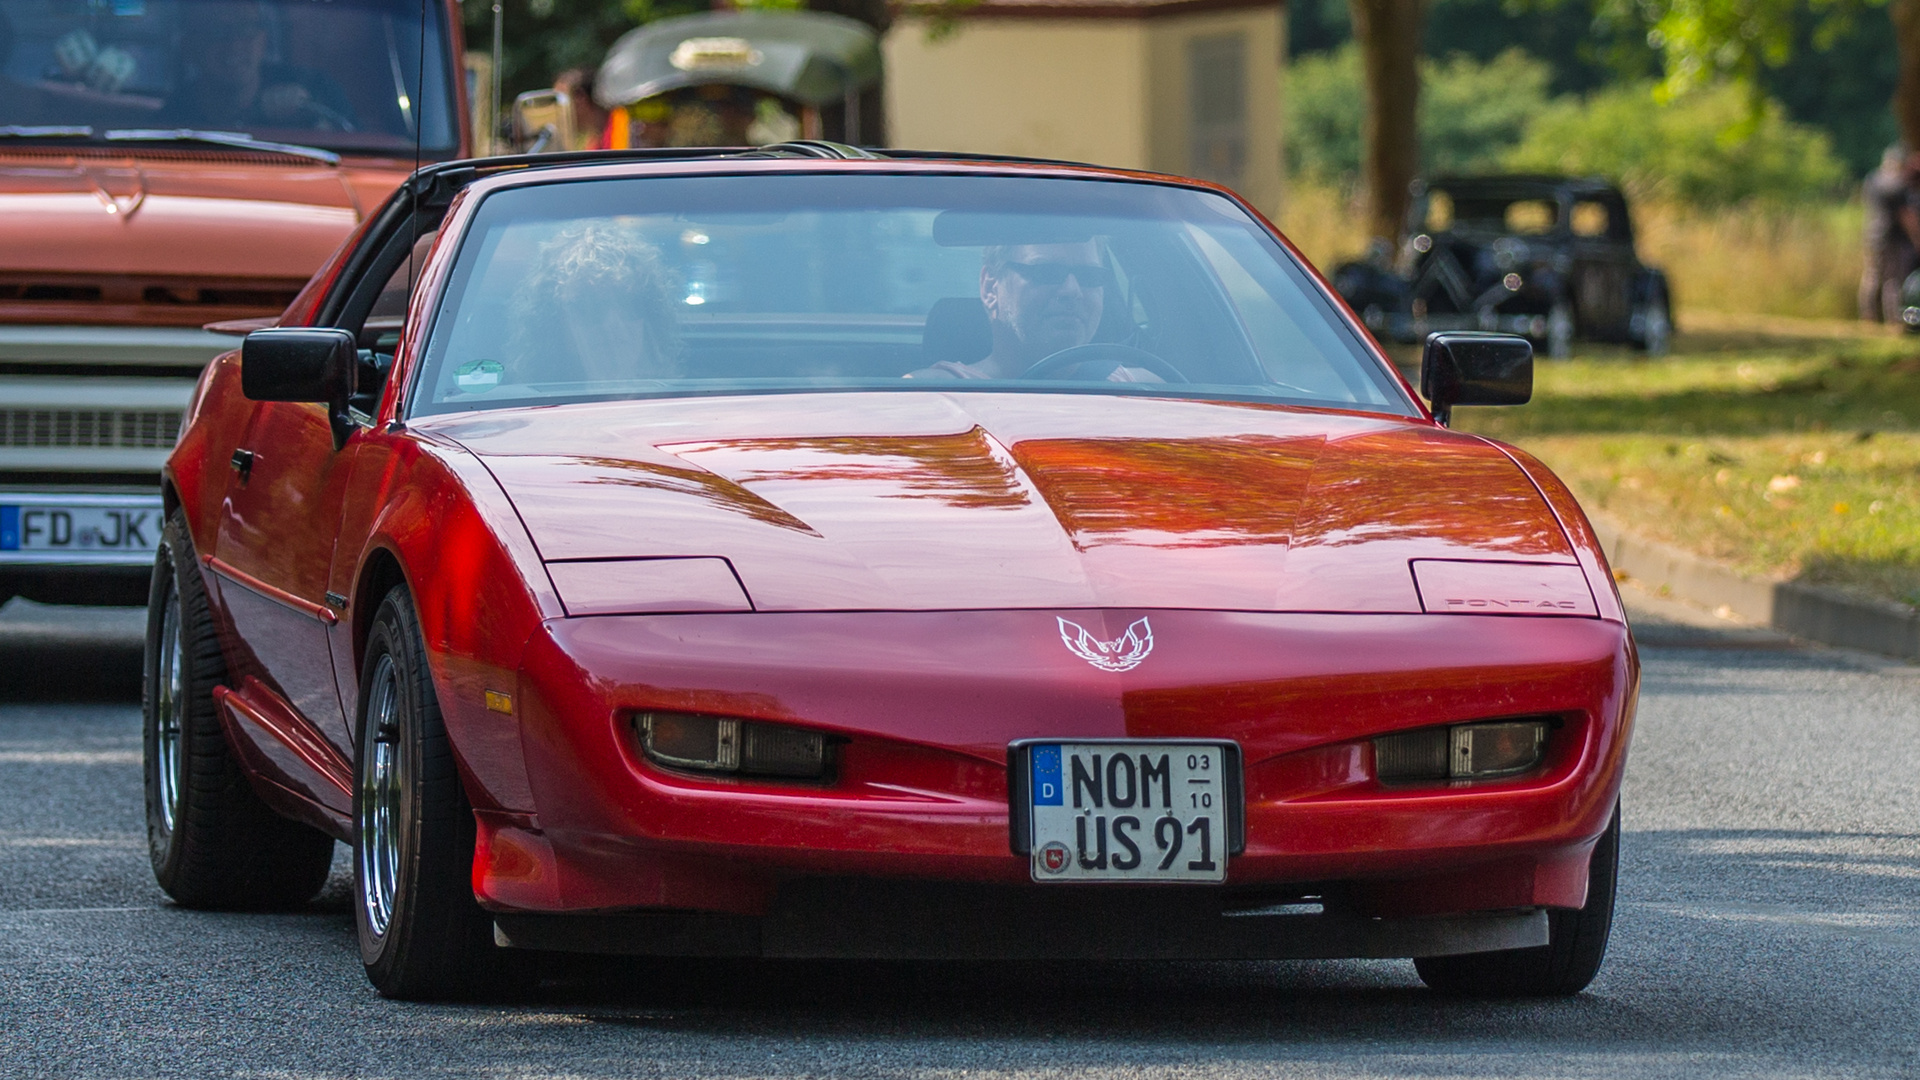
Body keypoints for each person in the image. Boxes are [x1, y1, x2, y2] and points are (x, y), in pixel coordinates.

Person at [907, 240, 1158, 382]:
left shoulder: (1149, 390)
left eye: (1090, 276)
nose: (1072, 290)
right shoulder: (925, 393)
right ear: (990, 287)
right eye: (1046, 272)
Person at [505, 220, 681, 387]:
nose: (613, 323)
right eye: (591, 307)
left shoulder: (687, 407)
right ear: (556, 325)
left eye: (630, 306)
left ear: (650, 319)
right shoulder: (533, 411)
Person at [161, 1, 355, 132]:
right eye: (216, 31)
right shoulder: (173, 118)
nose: (234, 44)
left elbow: (356, 148)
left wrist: (312, 116)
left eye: (246, 29)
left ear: (263, 39)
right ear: (189, 46)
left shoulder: (317, 89)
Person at [1861, 145, 1908, 321]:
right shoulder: (1897, 184)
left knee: (1871, 275)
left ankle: (1868, 316)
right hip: (1891, 236)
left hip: (1871, 232)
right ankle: (1893, 318)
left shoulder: (1872, 179)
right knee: (1892, 279)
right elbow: (1905, 215)